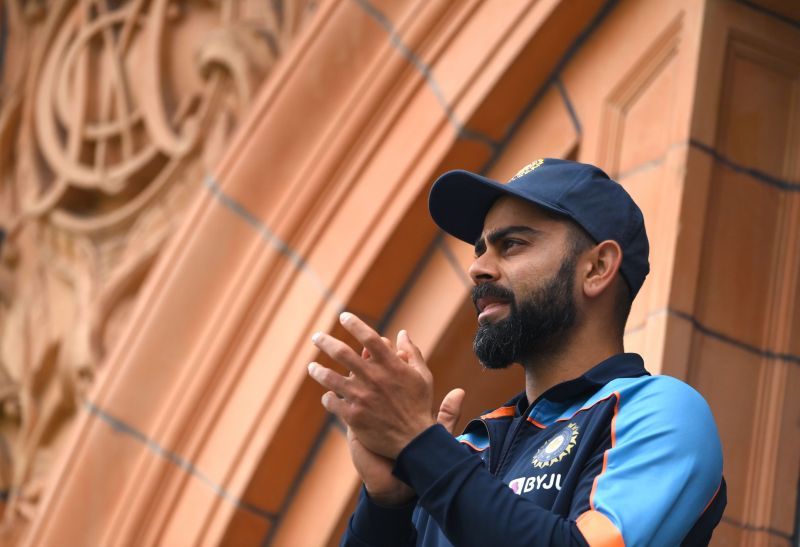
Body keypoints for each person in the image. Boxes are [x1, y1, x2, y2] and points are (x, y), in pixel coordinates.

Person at [307, 158, 726, 546]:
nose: (477, 268)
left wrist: (419, 444)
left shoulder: (659, 411)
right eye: (479, 250)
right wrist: (387, 506)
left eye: (511, 245)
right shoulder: (468, 449)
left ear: (597, 269)